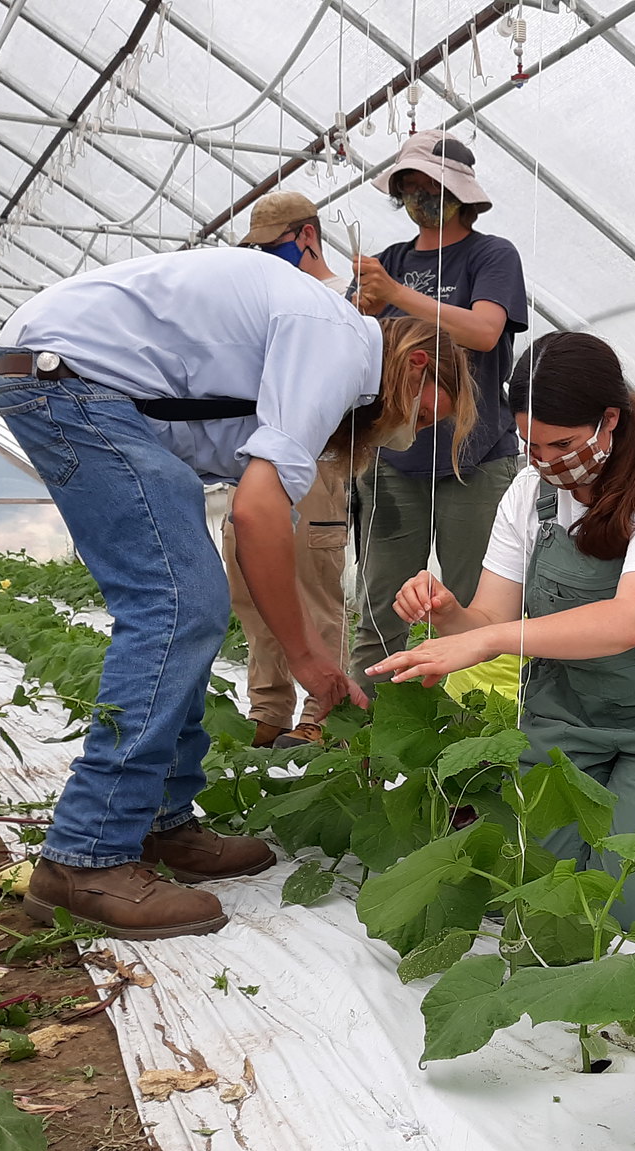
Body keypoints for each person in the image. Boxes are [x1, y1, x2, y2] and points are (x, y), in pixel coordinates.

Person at [0, 246, 476, 939]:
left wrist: (300, 646)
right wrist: (307, 656)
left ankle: (160, 823)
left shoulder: (323, 349)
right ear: (420, 365)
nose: (411, 435)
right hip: (68, 377)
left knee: (189, 602)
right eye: (427, 418)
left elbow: (256, 496)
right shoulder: (337, 343)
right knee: (177, 604)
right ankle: (86, 857)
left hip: (85, 383)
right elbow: (256, 514)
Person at [369, 332, 635, 930]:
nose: (547, 461)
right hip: (568, 710)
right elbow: (490, 616)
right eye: (530, 444)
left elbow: (631, 621)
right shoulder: (528, 493)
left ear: (610, 420)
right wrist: (447, 613)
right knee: (542, 892)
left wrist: (486, 641)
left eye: (562, 443)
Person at [349, 129, 529, 691]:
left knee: (479, 609)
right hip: (394, 459)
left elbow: (484, 330)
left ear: (459, 191)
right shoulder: (387, 262)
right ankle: (365, 738)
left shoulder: (491, 254)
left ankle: (477, 731)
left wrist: (396, 295)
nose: (418, 195)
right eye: (408, 185)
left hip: (474, 461)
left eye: (430, 184)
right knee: (381, 606)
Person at [223, 190, 367, 747]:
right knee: (250, 585)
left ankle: (322, 712)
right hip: (258, 457)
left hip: (320, 461)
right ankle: (269, 709)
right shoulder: (267, 300)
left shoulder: (352, 299)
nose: (266, 258)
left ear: (308, 235)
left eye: (275, 246)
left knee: (313, 585)